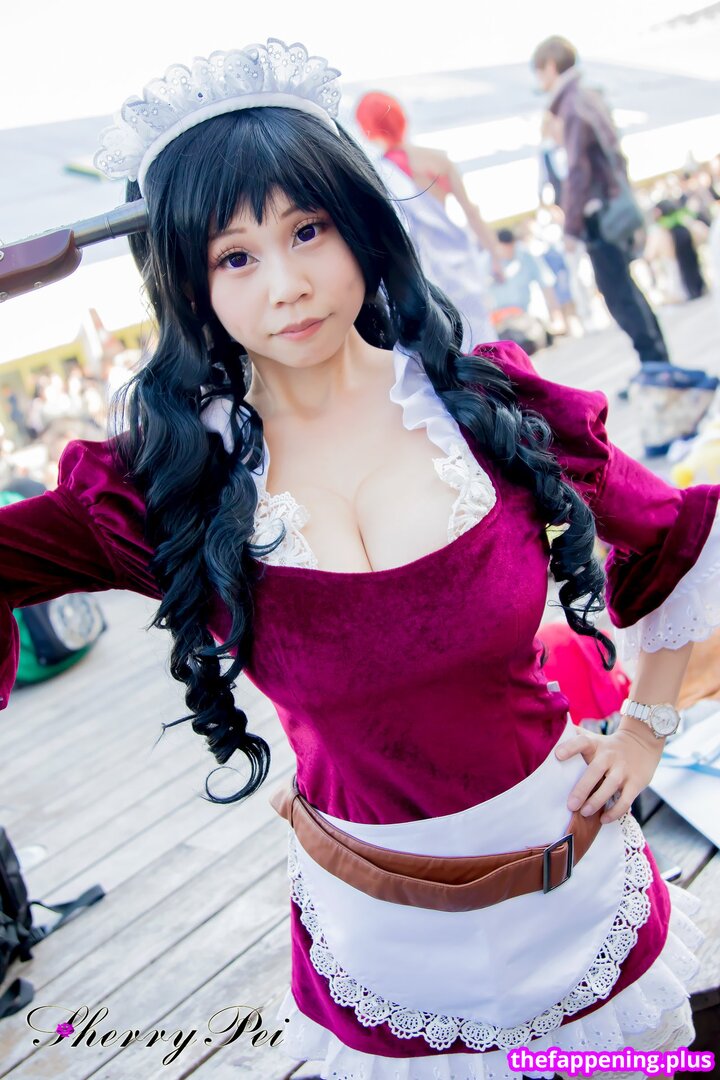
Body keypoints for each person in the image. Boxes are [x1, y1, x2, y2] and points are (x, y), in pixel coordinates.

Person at [1, 38, 719, 1080]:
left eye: (308, 230)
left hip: (581, 899)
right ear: (188, 282)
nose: (288, 285)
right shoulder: (164, 485)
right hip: (385, 943)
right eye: (235, 257)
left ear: (359, 224)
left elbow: (677, 532)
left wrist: (647, 732)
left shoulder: (487, 405)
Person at [531, 35, 673, 373]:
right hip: (610, 208)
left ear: (550, 66)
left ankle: (655, 365)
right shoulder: (587, 95)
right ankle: (657, 362)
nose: (539, 81)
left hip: (599, 215)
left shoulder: (572, 103)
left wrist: (571, 227)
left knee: (617, 292)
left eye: (539, 72)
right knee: (625, 288)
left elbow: (578, 171)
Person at [354, 90, 501, 348]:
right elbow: (471, 212)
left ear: (368, 128)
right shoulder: (437, 159)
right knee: (482, 336)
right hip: (458, 261)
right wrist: (495, 256)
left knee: (448, 342)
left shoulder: (379, 174)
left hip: (421, 270)